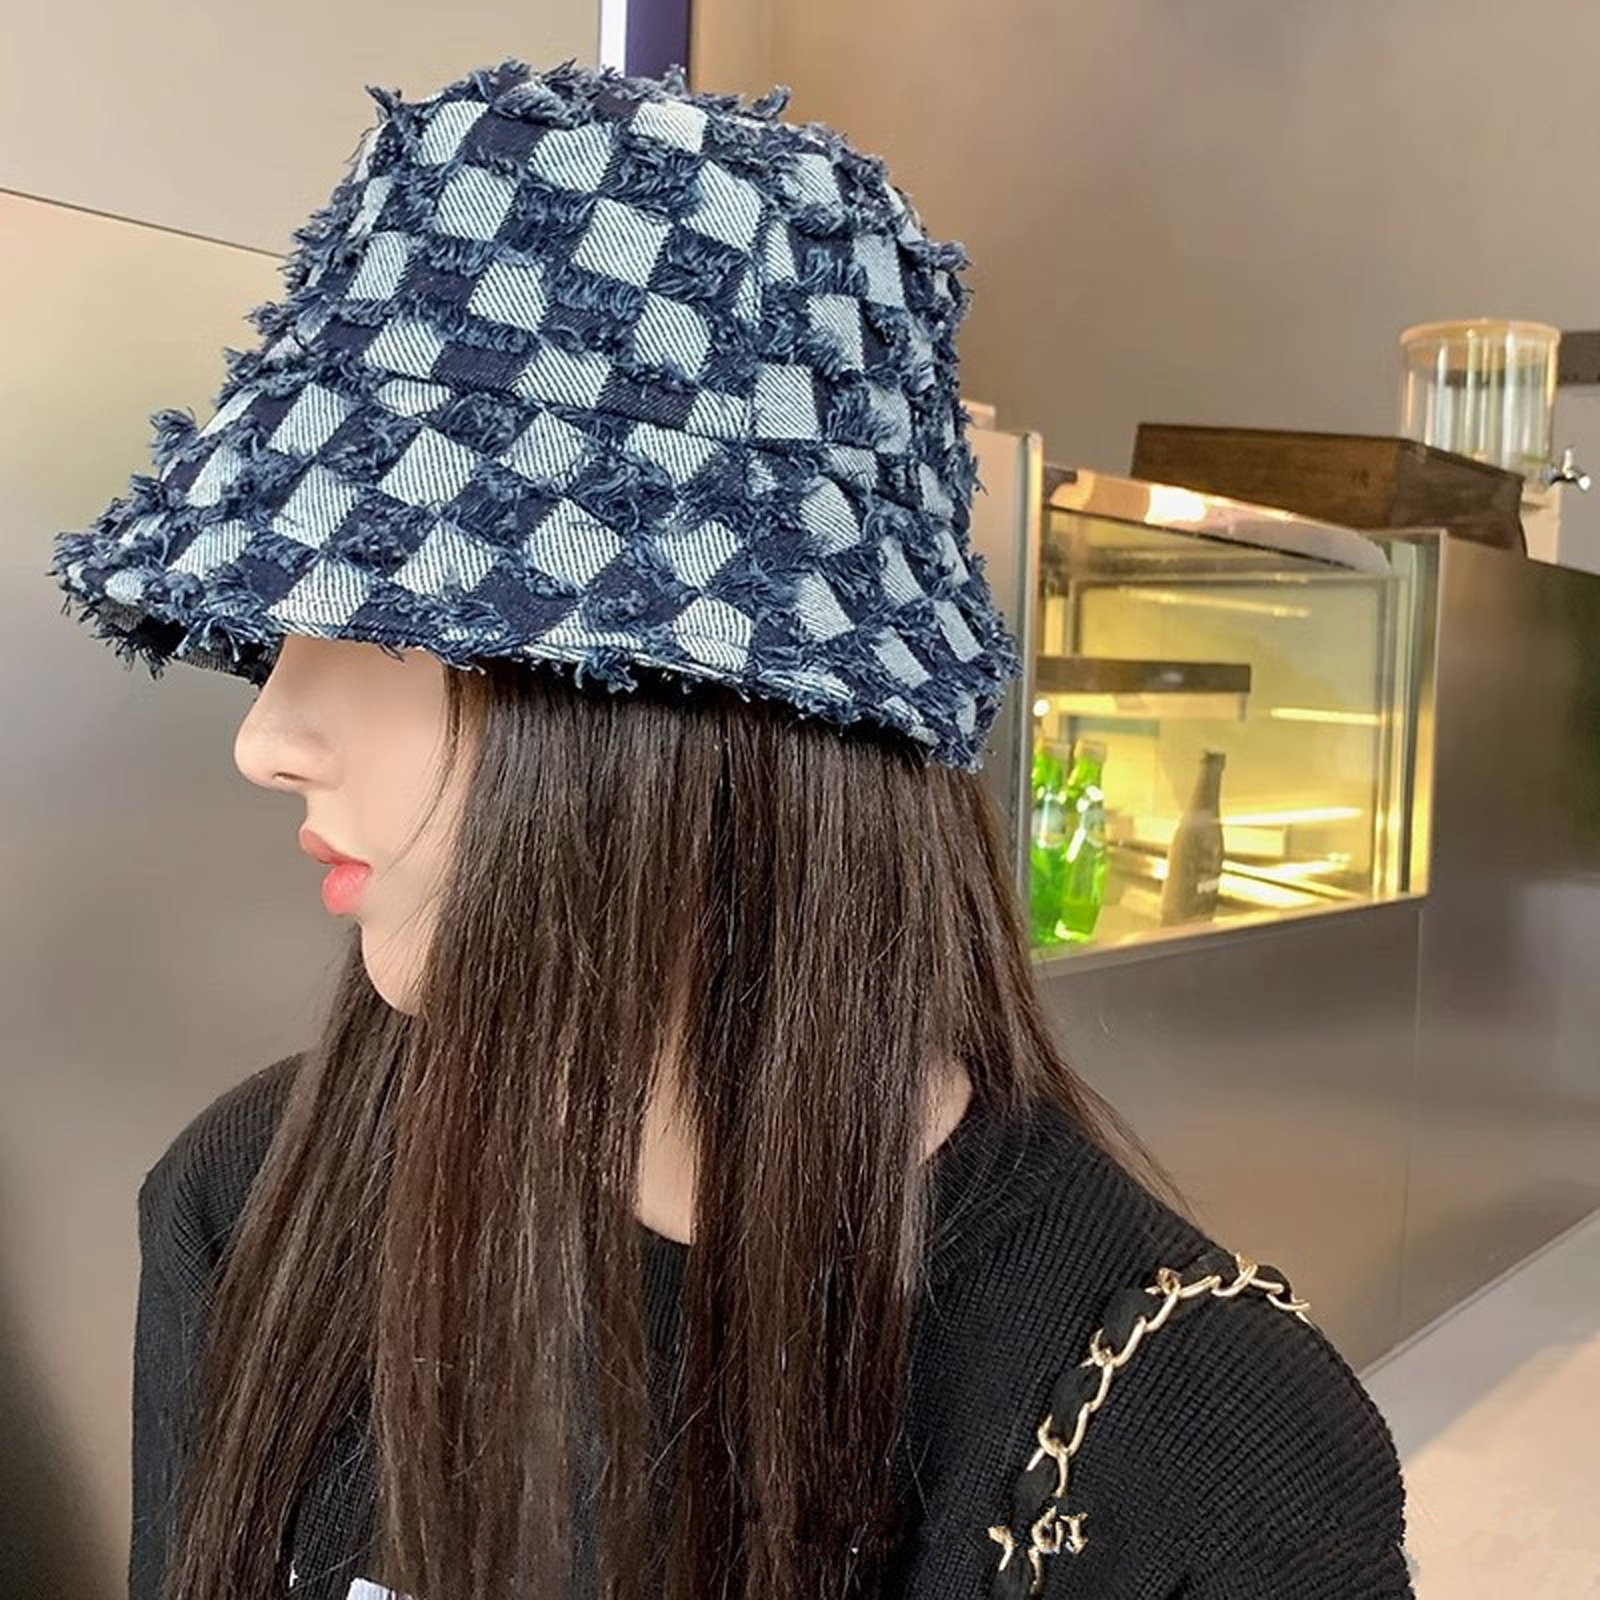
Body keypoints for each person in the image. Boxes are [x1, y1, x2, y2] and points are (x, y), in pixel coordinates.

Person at [49, 57, 1413, 1600]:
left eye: (396, 615)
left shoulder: (1192, 1449)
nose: (266, 735)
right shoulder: (255, 1206)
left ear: (715, 707)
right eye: (287, 613)